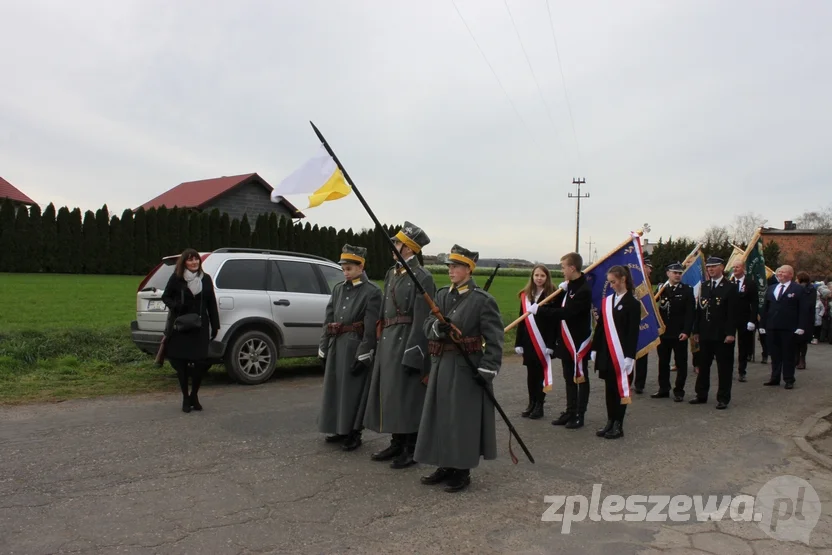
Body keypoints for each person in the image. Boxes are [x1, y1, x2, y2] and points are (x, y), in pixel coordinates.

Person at [416, 245, 504, 492]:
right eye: (449, 266)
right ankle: (444, 464)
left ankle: (462, 470)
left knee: (461, 419)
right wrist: (437, 328)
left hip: (467, 368)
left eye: (455, 266)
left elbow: (495, 340)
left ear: (468, 269)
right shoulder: (443, 295)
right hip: (442, 363)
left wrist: (487, 370)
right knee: (441, 416)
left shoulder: (482, 301)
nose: (451, 270)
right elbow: (427, 324)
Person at [364, 221, 436, 469]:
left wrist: (414, 351)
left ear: (409, 248)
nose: (393, 246)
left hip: (406, 339)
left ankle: (411, 447)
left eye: (397, 242)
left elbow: (423, 317)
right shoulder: (391, 273)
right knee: (391, 394)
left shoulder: (422, 277)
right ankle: (396, 441)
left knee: (407, 396)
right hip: (388, 338)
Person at [317, 245, 383, 451]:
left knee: (353, 392)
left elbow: (371, 326)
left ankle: (354, 432)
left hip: (355, 345)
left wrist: (365, 353)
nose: (345, 273)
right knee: (335, 389)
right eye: (343, 269)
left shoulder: (372, 292)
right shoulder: (338, 289)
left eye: (349, 269)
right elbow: (328, 319)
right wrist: (323, 346)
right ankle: (339, 428)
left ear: (361, 266)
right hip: (337, 343)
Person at [529, 252, 593, 429]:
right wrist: (560, 293)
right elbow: (558, 306)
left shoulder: (583, 290)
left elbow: (566, 313)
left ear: (572, 267)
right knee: (568, 377)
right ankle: (570, 411)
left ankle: (580, 414)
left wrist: (540, 311)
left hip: (577, 342)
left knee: (580, 377)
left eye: (563, 266)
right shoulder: (569, 287)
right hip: (565, 340)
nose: (562, 270)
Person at [160, 248, 220, 413]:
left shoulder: (206, 279)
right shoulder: (177, 279)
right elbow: (165, 296)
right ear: (184, 262)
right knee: (182, 364)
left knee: (201, 363)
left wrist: (215, 325)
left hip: (200, 326)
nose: (194, 262)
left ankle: (195, 395)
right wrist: (176, 306)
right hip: (181, 327)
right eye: (190, 260)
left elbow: (211, 303)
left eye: (196, 260)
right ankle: (185, 398)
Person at [590, 265, 641, 440]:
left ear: (623, 280)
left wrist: (629, 356)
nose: (611, 285)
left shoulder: (633, 303)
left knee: (619, 389)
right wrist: (595, 348)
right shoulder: (608, 301)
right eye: (609, 282)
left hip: (621, 355)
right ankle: (610, 421)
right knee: (609, 389)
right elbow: (601, 328)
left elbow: (633, 332)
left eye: (613, 282)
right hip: (606, 352)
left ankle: (618, 424)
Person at [690, 256, 737, 410]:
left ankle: (723, 397)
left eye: (714, 266)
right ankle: (701, 394)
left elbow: (732, 313)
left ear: (722, 267)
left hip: (722, 334)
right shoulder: (704, 286)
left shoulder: (730, 287)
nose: (710, 269)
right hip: (705, 333)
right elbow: (699, 310)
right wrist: (696, 330)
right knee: (703, 365)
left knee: (724, 367)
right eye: (709, 267)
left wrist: (731, 333)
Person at [514, 264, 558, 419]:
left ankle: (540, 404)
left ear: (547, 278)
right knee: (531, 374)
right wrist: (518, 342)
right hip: (528, 339)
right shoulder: (526, 295)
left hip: (543, 341)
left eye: (542, 276)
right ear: (532, 277)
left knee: (540, 374)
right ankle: (531, 402)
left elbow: (554, 322)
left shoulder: (552, 295)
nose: (539, 278)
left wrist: (551, 344)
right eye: (536, 275)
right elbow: (521, 320)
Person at [761, 265, 811, 389]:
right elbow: (765, 308)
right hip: (772, 326)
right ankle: (775, 377)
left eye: (783, 272)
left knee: (788, 354)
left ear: (790, 274)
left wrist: (801, 326)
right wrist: (762, 324)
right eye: (778, 272)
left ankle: (789, 379)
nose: (780, 274)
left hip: (789, 327)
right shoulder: (772, 288)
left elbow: (804, 309)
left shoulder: (798, 289)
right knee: (775, 354)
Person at [653, 262, 695, 402]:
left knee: (681, 363)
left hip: (679, 333)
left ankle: (679, 391)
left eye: (679, 273)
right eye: (674, 272)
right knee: (663, 362)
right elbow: (652, 305)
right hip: (664, 333)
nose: (677, 275)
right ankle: (663, 389)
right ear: (668, 273)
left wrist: (686, 331)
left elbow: (690, 313)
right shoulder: (661, 289)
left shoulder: (687, 290)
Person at [730, 258, 758, 382]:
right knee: (728, 345)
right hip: (730, 318)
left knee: (743, 346)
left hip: (744, 318)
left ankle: (742, 371)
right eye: (733, 267)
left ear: (743, 269)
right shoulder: (728, 282)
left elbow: (755, 303)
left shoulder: (750, 283)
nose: (735, 269)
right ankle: (728, 370)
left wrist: (752, 320)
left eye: (737, 267)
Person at [630, 257, 653, 394]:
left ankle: (640, 384)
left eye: (649, 267)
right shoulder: (633, 284)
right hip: (632, 323)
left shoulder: (650, 284)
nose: (649, 269)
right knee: (629, 354)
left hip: (644, 323)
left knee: (643, 354)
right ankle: (628, 380)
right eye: (647, 266)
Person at [795, 272, 816, 369]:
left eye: (797, 278)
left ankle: (801, 360)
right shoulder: (808, 288)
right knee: (798, 340)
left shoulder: (809, 289)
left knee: (802, 340)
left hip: (805, 318)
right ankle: (798, 359)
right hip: (801, 317)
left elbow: (808, 305)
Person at [758, 272, 779, 364]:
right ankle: (762, 353)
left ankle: (767, 353)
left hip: (770, 313)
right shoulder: (763, 277)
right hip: (760, 309)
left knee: (766, 335)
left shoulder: (772, 279)